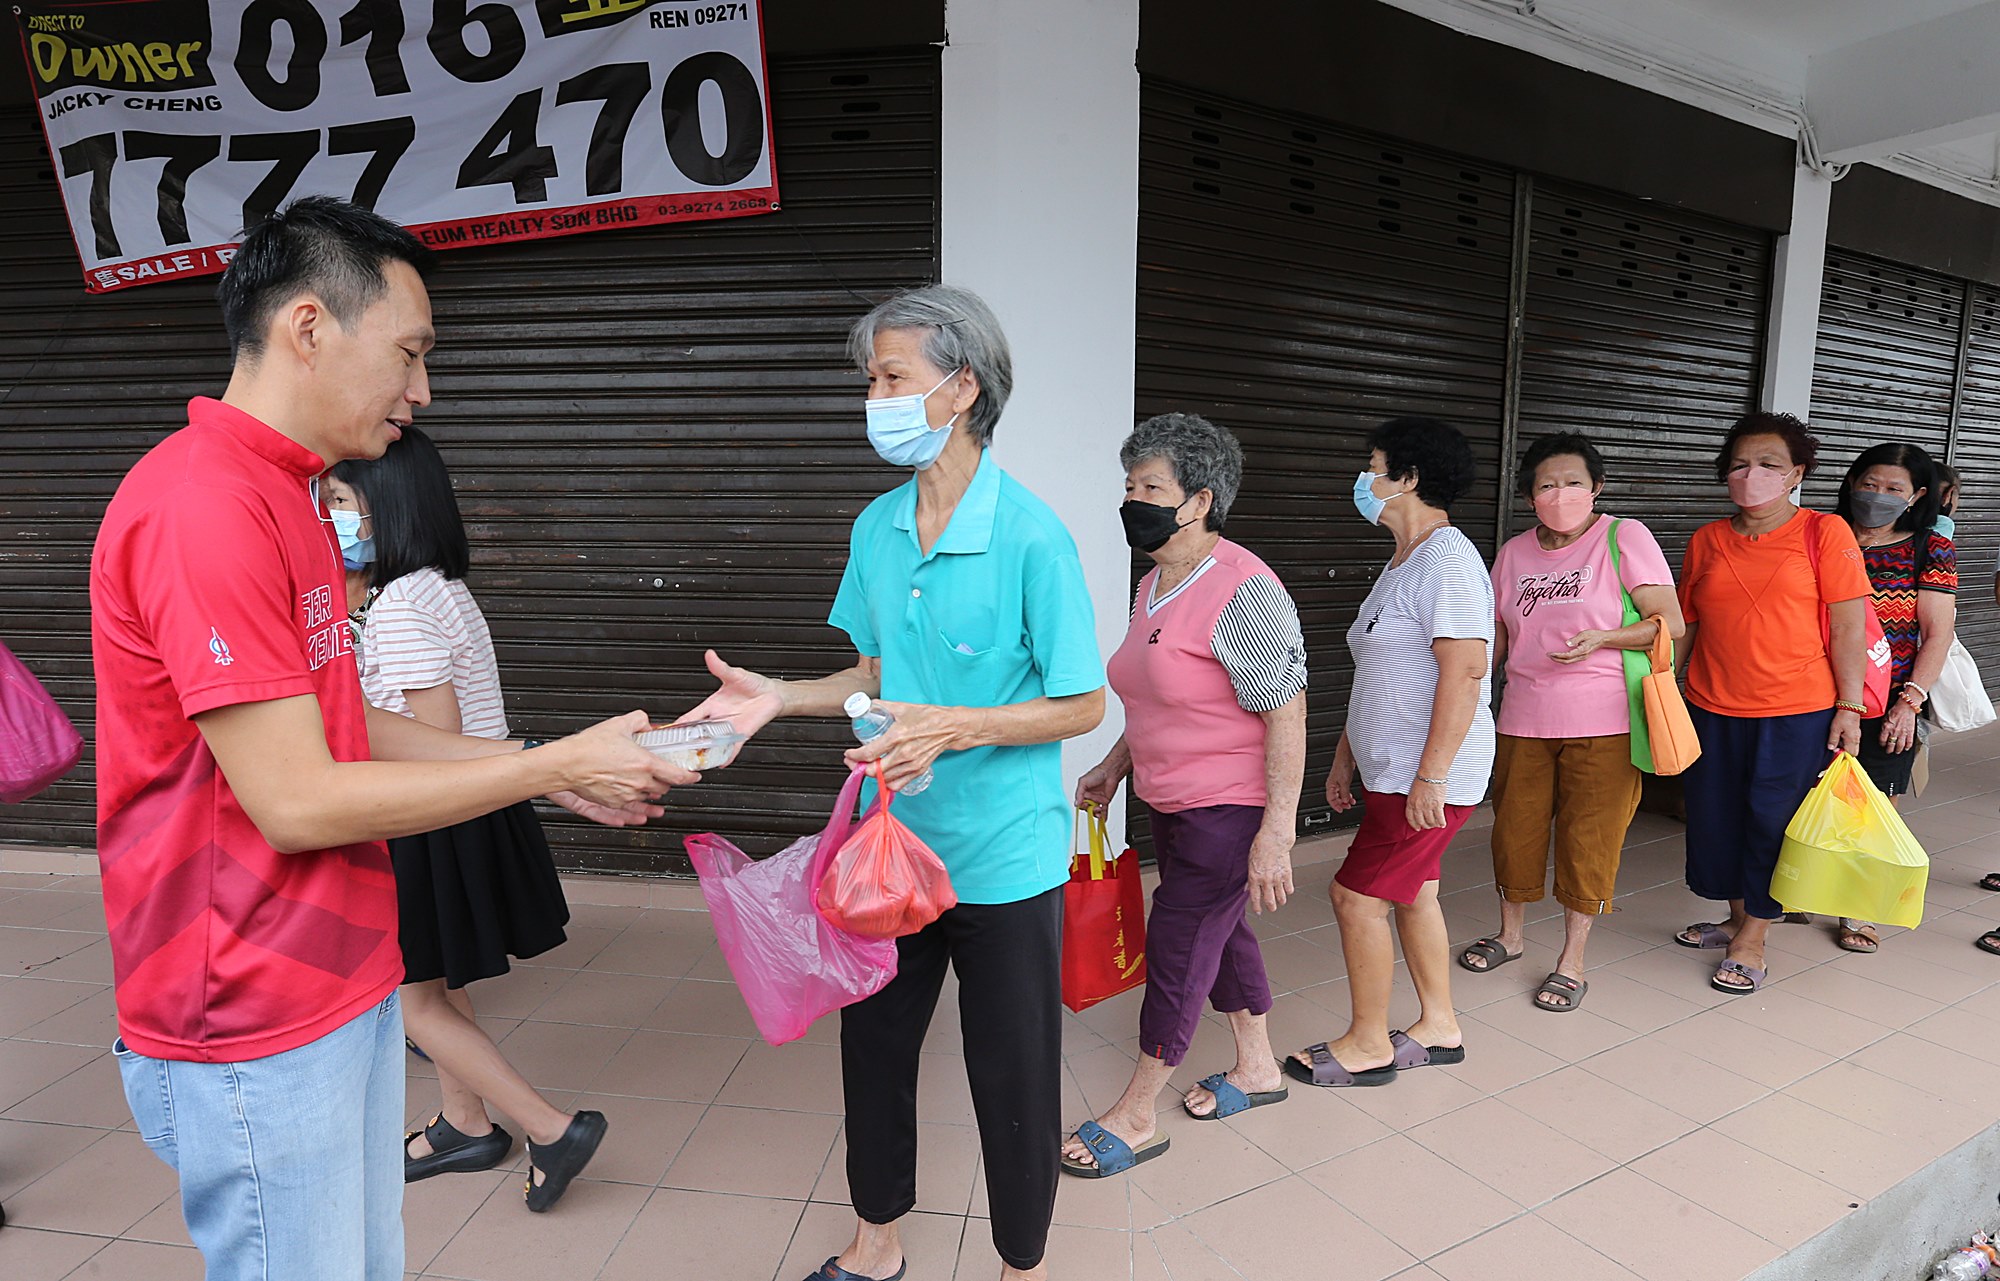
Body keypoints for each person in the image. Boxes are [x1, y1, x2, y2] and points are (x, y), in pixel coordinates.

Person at [88, 196, 689, 1281]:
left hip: (342, 967)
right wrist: (550, 765)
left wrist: (541, 772)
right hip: (250, 1004)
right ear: (309, 328)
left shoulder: (301, 499)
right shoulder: (200, 505)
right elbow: (296, 797)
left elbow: (341, 719)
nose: (423, 389)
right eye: (409, 352)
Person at [679, 285, 1104, 1281]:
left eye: (890, 377)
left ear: (961, 389)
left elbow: (1081, 703)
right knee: (871, 1048)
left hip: (1004, 858)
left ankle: (1020, 1262)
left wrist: (956, 727)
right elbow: (874, 674)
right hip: (887, 849)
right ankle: (875, 1243)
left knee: (1009, 1074)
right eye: (869, 379)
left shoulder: (1032, 538)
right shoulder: (876, 528)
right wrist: (779, 698)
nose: (872, 397)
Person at [329, 429, 606, 1207]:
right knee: (436, 987)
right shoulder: (433, 585)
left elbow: (436, 741)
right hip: (465, 809)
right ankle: (464, 1122)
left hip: (433, 819)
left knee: (412, 1000)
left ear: (385, 508)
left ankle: (551, 1128)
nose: (330, 518)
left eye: (341, 501)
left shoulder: (403, 605)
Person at [1061, 413, 1308, 1175]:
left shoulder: (1245, 587)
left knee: (1178, 946)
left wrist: (1277, 830)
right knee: (1220, 934)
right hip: (1170, 801)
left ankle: (1137, 1112)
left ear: (1198, 500)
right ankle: (1258, 1067)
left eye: (1151, 486)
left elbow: (1287, 709)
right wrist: (1115, 762)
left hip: (1228, 810)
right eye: (1129, 485)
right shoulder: (1154, 581)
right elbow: (1162, 696)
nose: (1132, 499)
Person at [1288, 417, 1493, 1087]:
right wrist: (1345, 756)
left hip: (1425, 776)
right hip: (1392, 769)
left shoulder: (1450, 560)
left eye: (1373, 465)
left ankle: (1369, 1042)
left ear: (1407, 478)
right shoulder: (1403, 560)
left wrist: (1430, 776)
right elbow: (1382, 671)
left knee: (1354, 897)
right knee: (1415, 892)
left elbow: (1464, 672)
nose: (1364, 479)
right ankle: (1439, 1024)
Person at [1459, 433, 1683, 1011]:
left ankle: (1572, 958)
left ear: (1597, 487)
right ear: (1530, 495)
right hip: (1523, 716)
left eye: (1574, 482)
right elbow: (1500, 634)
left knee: (1590, 838)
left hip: (1604, 717)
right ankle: (1510, 935)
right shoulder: (1512, 553)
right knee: (1515, 831)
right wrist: (1468, 687)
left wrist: (1605, 637)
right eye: (1547, 484)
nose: (1560, 494)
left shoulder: (1622, 536)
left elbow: (1669, 622)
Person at [1673, 412, 1869, 994]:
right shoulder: (1707, 539)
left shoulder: (1824, 532)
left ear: (1796, 474)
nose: (1750, 475)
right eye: (1739, 464)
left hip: (1796, 709)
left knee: (1771, 823)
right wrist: (1659, 689)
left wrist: (1850, 707)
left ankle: (1754, 935)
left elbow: (1850, 628)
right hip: (1711, 704)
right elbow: (1685, 622)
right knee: (1717, 819)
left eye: (1767, 465)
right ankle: (1737, 918)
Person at [1826, 443, 1956, 953]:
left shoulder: (1928, 547)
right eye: (1869, 484)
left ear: (1917, 495)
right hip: (1809, 691)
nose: (1876, 496)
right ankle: (1794, 889)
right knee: (1797, 795)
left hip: (1886, 700)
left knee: (1871, 803)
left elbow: (1937, 632)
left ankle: (1856, 908)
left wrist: (1910, 703)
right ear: (1852, 482)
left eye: (1893, 489)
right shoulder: (1822, 533)